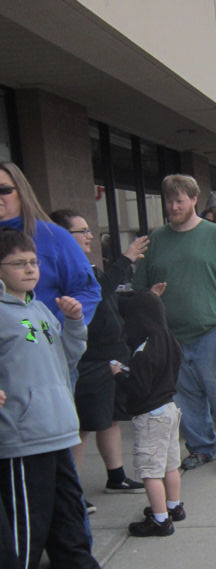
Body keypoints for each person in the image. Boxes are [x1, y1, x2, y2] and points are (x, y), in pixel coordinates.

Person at [132, 174, 216, 476]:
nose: (173, 206)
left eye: (180, 200)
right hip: (171, 337)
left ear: (194, 199)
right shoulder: (156, 241)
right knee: (184, 399)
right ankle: (200, 447)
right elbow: (141, 289)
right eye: (169, 201)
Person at [0, 228, 101, 569]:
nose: (30, 269)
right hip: (23, 440)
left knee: (70, 526)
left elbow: (68, 358)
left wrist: (74, 322)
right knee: (26, 534)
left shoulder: (42, 310)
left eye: (34, 262)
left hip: (58, 432)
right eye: (19, 263)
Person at [50, 209, 149, 510]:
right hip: (88, 359)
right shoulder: (61, 269)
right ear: (62, 237)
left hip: (111, 354)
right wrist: (126, 258)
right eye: (81, 231)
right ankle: (72, 495)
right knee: (82, 427)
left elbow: (108, 301)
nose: (89, 236)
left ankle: (116, 477)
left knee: (110, 419)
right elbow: (97, 293)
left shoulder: (85, 265)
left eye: (87, 230)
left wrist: (146, 299)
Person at [111, 291, 184, 537]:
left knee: (150, 472)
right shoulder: (169, 341)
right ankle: (174, 506)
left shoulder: (143, 350)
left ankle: (160, 520)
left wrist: (120, 375)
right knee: (171, 465)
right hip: (169, 409)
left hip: (151, 416)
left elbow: (139, 388)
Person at [0, 162, 100, 327]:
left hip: (37, 338)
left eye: (4, 190)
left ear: (21, 192)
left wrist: (55, 329)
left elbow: (87, 291)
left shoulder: (53, 236)